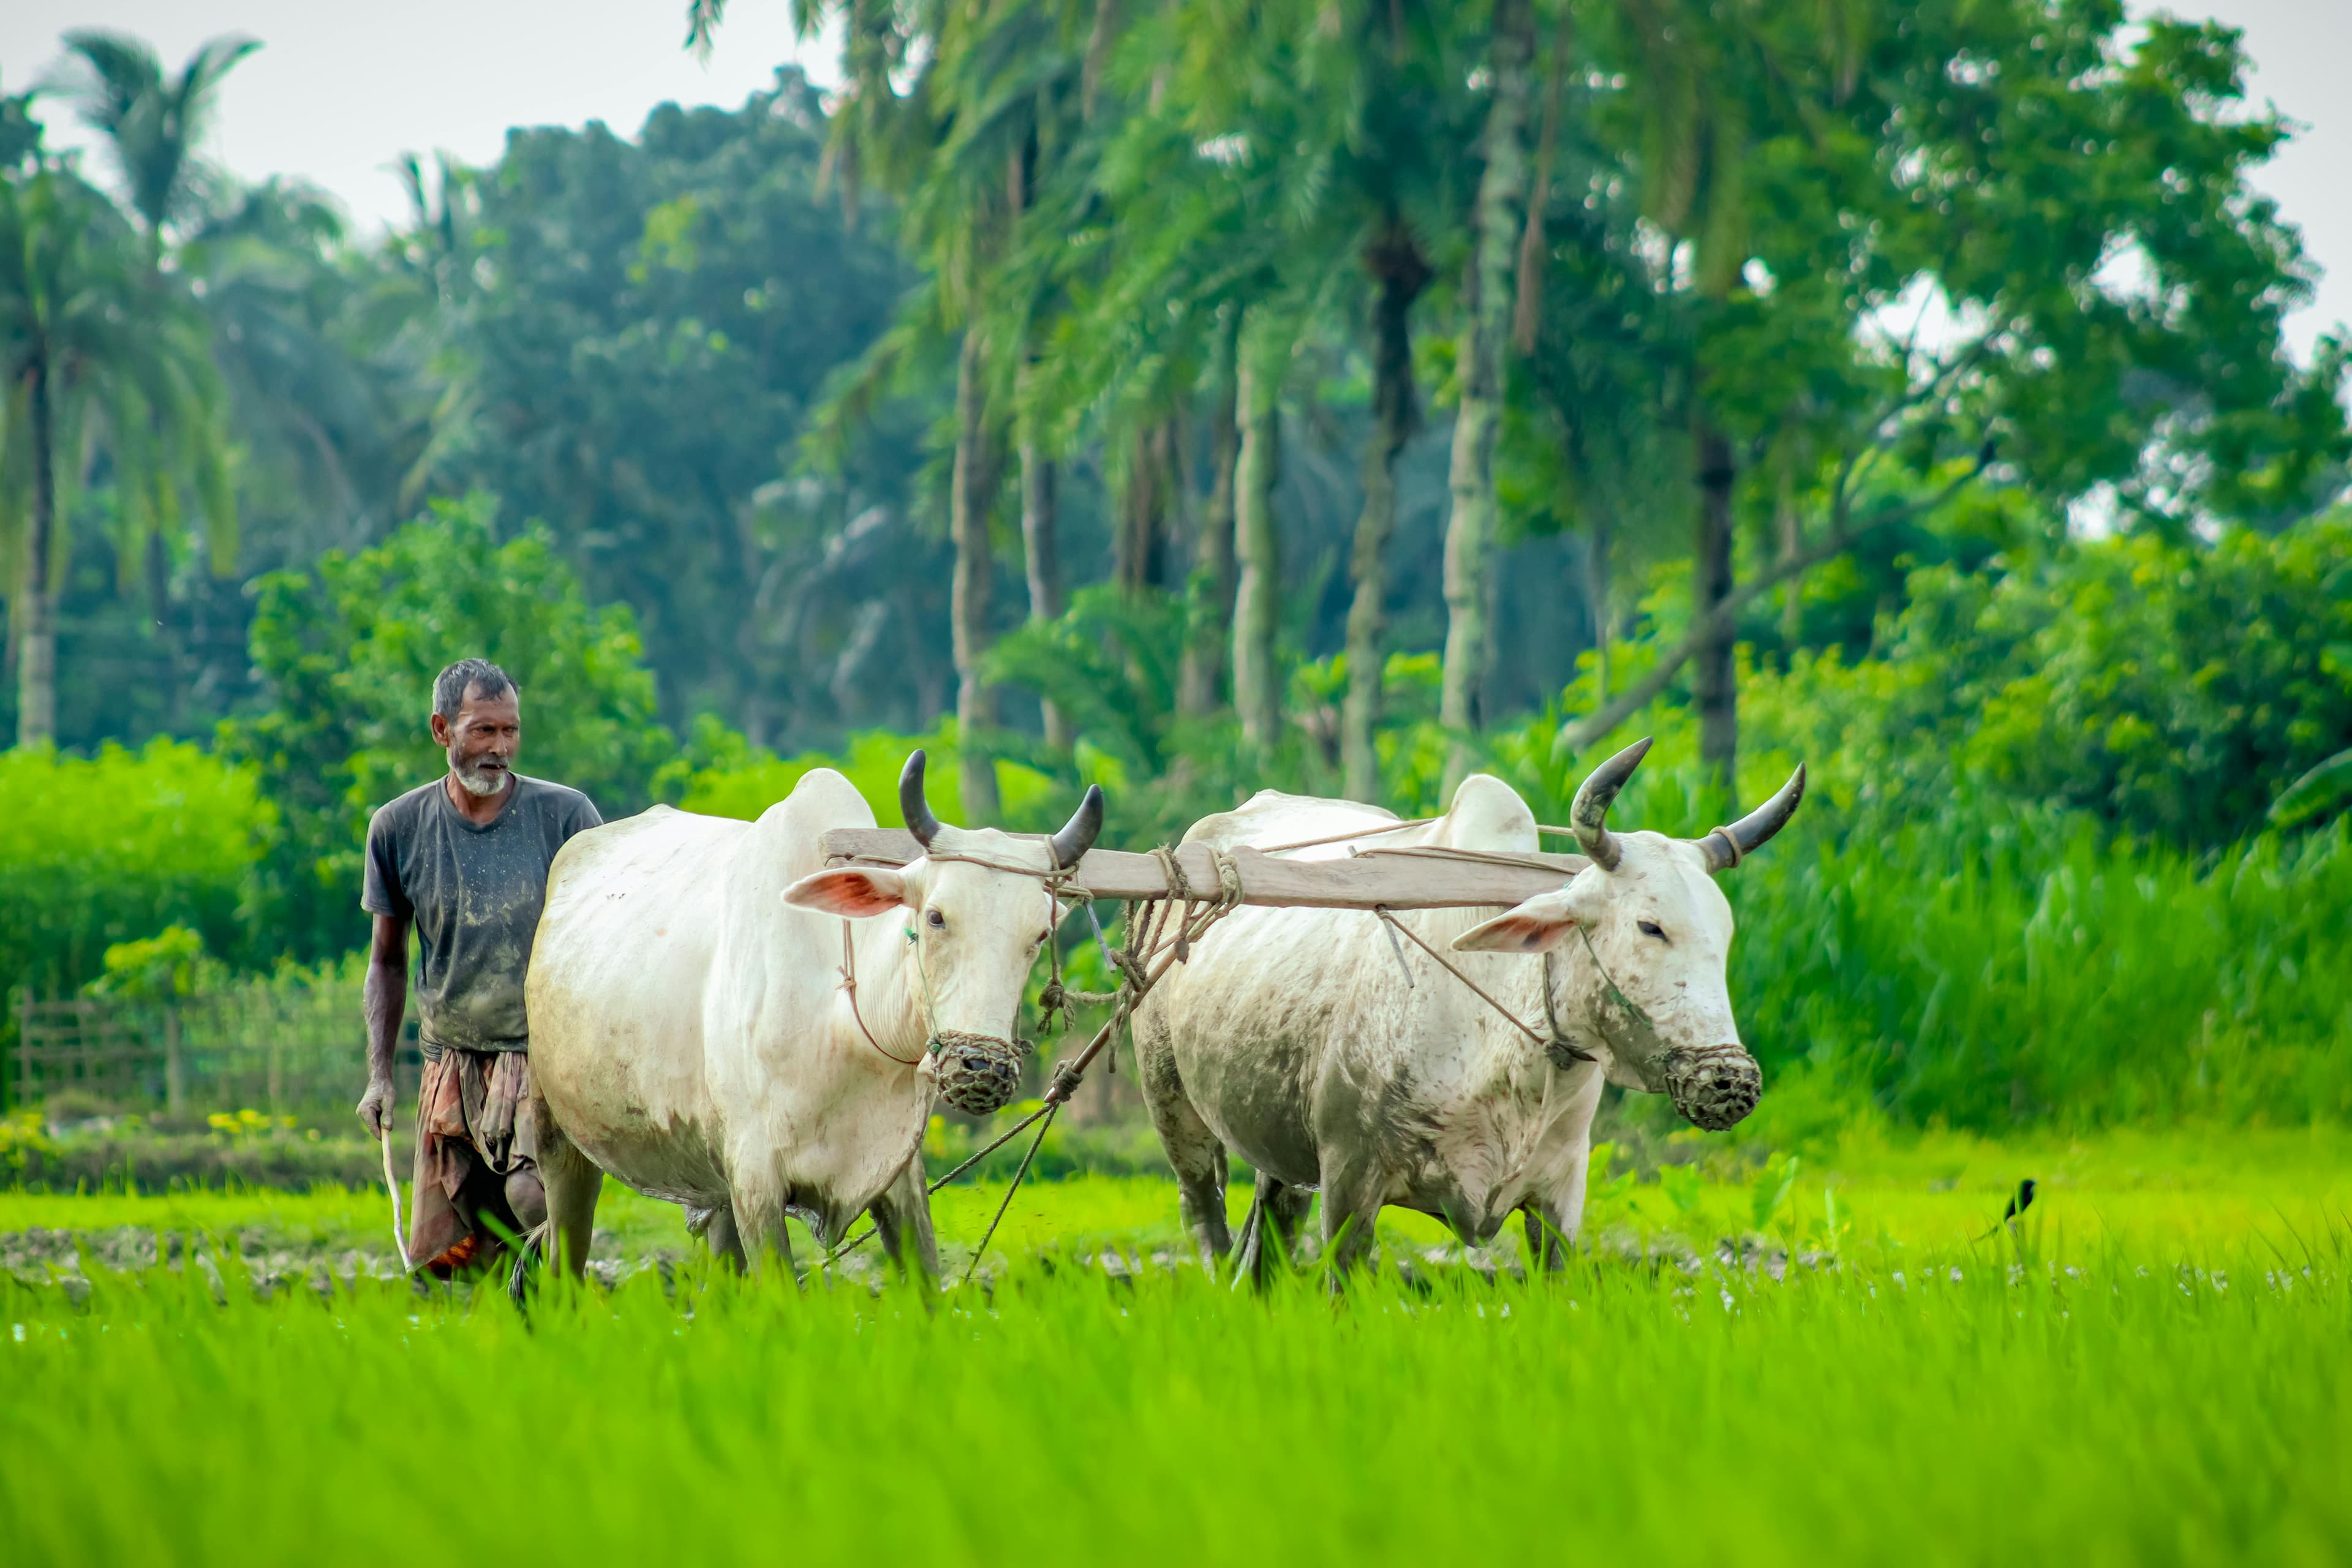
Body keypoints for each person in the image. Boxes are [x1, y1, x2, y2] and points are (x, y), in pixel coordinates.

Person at [354, 658, 603, 1276]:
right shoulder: (398, 827)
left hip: (541, 1053)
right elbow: (387, 958)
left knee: (530, 1196)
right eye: (484, 731)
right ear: (442, 729)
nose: (501, 748)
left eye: (510, 732)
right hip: (450, 1061)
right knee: (453, 1258)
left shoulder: (566, 817)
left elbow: (606, 937)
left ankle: (562, 1302)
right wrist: (379, 1076)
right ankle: (513, 1343)